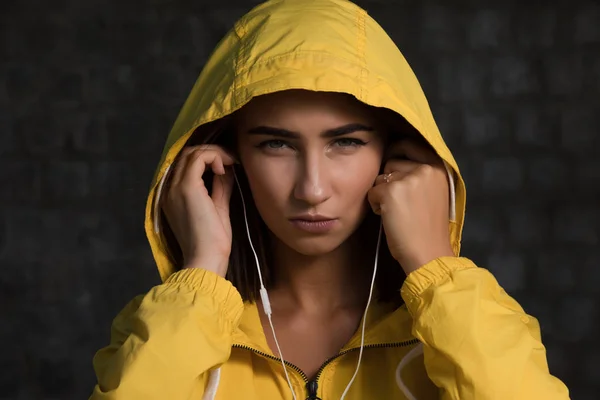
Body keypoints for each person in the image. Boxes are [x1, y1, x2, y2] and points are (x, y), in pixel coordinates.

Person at [89, 0, 570, 399]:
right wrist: (201, 272)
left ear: (396, 155)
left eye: (347, 143)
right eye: (276, 144)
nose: (312, 189)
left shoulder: (462, 327)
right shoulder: (165, 326)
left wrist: (434, 267)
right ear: (229, 158)